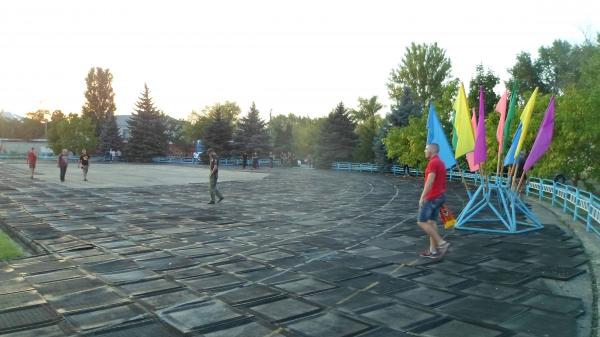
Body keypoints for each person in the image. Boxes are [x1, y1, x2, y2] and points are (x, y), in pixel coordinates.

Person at [417, 143, 450, 259]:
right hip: (440, 196)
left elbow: (430, 182)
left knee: (421, 222)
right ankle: (433, 251)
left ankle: (442, 243)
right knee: (431, 222)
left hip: (432, 198)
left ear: (431, 150)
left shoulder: (433, 163)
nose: (425, 151)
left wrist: (422, 197)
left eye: (426, 149)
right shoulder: (440, 162)